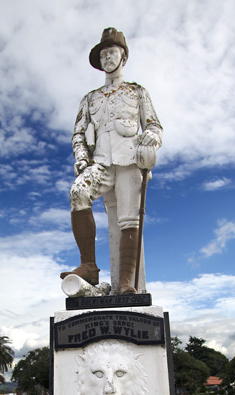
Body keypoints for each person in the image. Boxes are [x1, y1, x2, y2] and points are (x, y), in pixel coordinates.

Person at [61, 28, 163, 295]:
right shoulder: (90, 98)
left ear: (123, 57)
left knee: (129, 219)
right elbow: (78, 133)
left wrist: (151, 139)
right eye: (103, 54)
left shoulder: (137, 92)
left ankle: (125, 282)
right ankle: (89, 266)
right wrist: (82, 158)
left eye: (112, 52)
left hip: (129, 160)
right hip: (101, 163)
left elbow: (154, 126)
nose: (107, 58)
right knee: (78, 192)